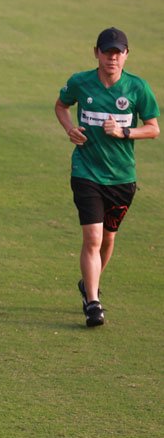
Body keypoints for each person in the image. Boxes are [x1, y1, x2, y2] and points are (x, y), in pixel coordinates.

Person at [54, 27, 159, 327]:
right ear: (96, 53)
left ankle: (89, 282)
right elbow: (61, 105)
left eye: (118, 52)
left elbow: (153, 128)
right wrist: (69, 128)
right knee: (93, 237)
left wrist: (125, 131)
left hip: (122, 178)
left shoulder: (137, 88)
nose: (112, 58)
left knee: (108, 239)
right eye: (107, 51)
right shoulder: (81, 83)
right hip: (86, 173)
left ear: (126, 55)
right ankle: (93, 301)